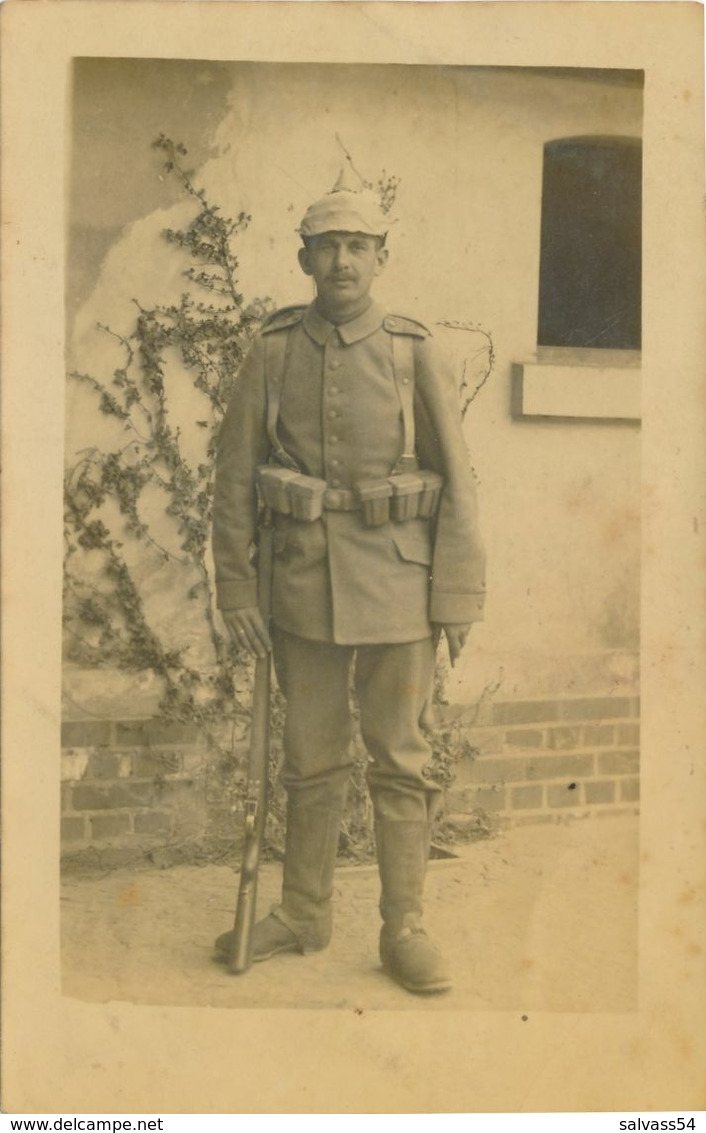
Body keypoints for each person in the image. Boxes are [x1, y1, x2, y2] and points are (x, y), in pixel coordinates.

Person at [211, 166, 486, 994]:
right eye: (327, 246)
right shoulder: (273, 350)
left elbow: (459, 481)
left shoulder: (412, 349)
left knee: (401, 757)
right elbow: (231, 482)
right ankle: (303, 910)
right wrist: (237, 592)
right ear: (304, 258)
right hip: (301, 592)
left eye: (358, 246)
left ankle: (404, 926)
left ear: (381, 257)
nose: (342, 261)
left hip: (402, 589)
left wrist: (456, 597)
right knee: (309, 758)